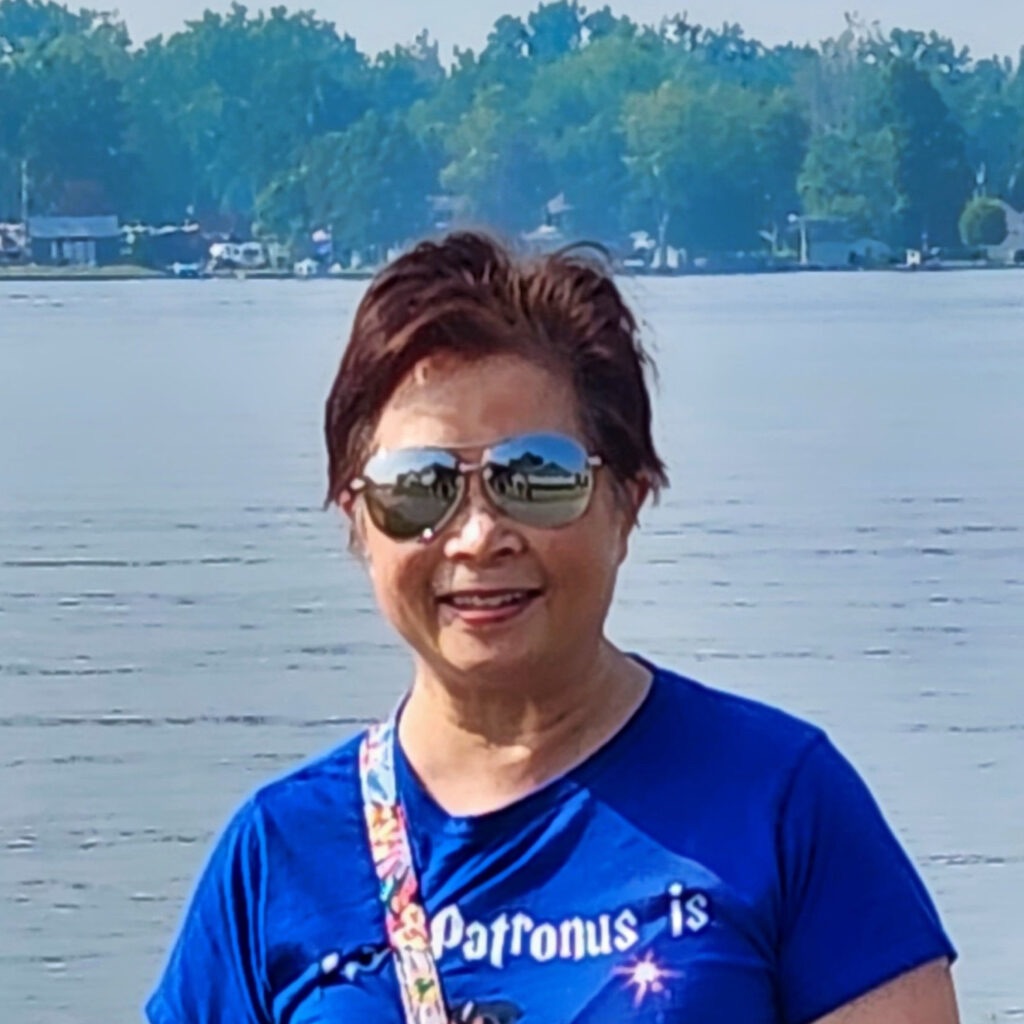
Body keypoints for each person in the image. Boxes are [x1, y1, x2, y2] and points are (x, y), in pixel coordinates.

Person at [147, 232, 959, 1024]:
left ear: (628, 503)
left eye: (535, 478)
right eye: (419, 487)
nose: (477, 537)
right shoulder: (280, 854)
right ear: (356, 519)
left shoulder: (780, 802)